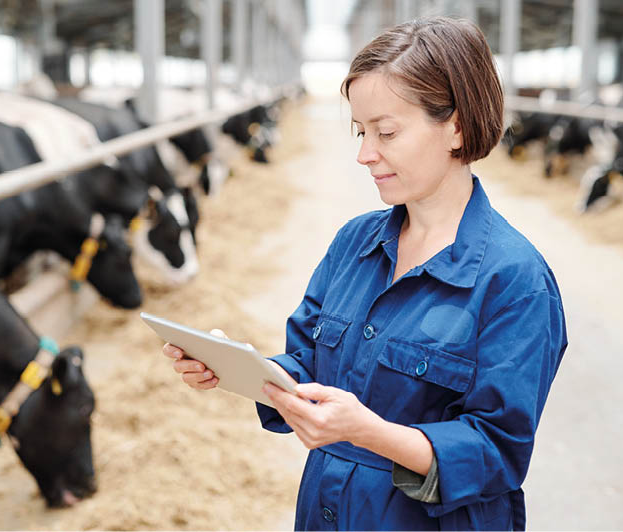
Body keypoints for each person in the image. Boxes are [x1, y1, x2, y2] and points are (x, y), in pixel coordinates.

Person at [162, 16, 567, 531]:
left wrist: (370, 432)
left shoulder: (515, 281)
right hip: (329, 510)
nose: (364, 154)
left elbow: (498, 453)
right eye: (361, 131)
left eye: (387, 132)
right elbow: (308, 361)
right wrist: (240, 370)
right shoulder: (356, 242)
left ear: (457, 125)